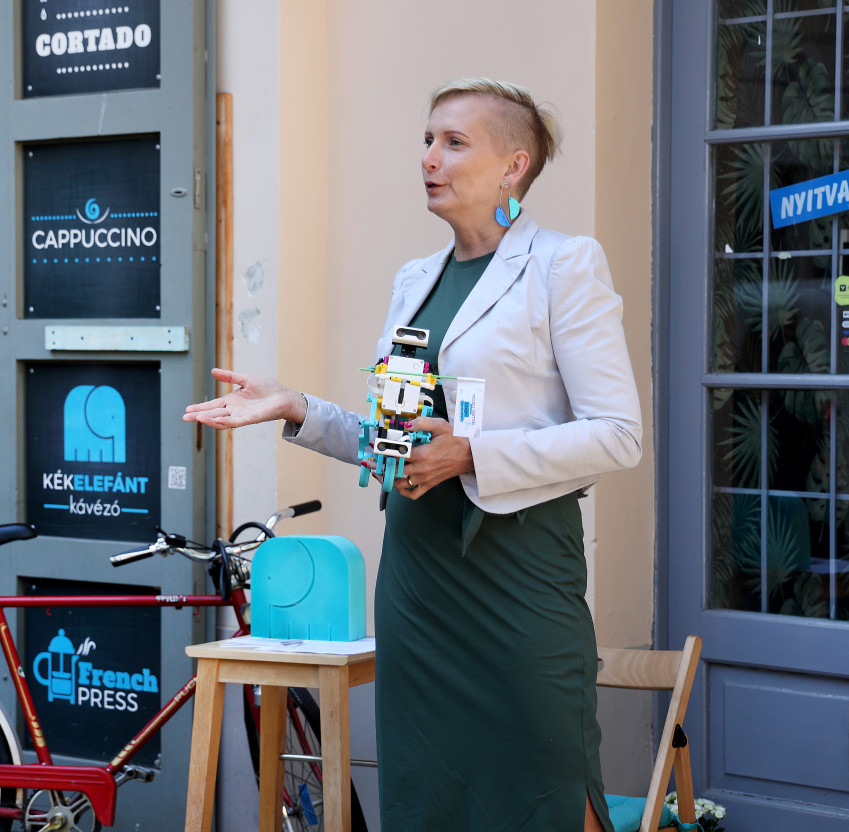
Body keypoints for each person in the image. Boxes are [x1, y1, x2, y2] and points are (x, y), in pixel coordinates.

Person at [184, 77, 641, 832]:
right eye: (428, 140)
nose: (430, 157)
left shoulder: (564, 265)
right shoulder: (414, 281)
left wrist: (472, 455)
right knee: (430, 791)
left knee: (546, 783)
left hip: (519, 574)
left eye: (455, 142)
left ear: (514, 165)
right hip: (418, 581)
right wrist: (295, 406)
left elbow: (618, 434)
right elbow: (393, 442)